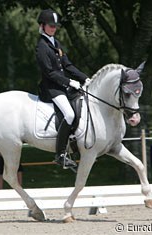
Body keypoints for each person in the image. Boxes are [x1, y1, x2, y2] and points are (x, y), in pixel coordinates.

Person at [35, 9, 91, 169]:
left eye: (55, 26)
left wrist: (84, 78)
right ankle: (60, 154)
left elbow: (67, 65)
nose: (53, 28)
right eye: (50, 26)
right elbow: (50, 73)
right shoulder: (41, 47)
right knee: (70, 114)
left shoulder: (55, 43)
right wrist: (69, 82)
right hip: (51, 89)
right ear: (42, 26)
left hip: (63, 86)